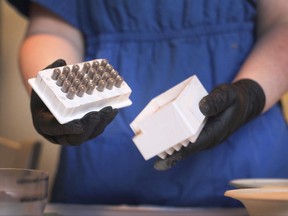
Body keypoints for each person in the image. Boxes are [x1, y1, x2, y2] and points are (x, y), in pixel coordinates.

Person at [7, 0, 288, 207]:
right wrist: (53, 96)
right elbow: (53, 27)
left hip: (246, 169)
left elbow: (282, 21)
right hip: (100, 178)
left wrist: (249, 95)